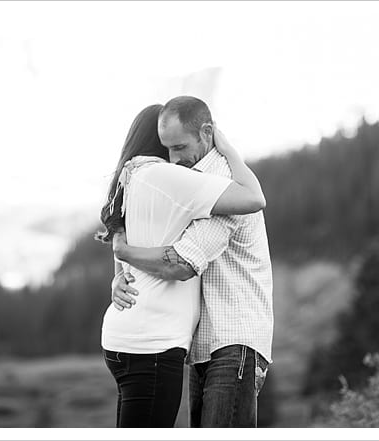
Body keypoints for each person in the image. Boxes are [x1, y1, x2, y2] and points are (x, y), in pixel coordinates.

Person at [96, 102, 267, 428]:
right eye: (169, 147)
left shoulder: (140, 179)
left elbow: (174, 259)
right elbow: (168, 252)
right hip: (171, 342)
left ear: (205, 133)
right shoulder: (166, 179)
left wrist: (123, 256)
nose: (175, 158)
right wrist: (122, 260)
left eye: (180, 146)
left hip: (215, 339)